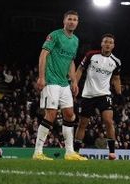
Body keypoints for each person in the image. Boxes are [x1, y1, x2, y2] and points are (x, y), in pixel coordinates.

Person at [32, 10, 87, 161]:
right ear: (64, 21)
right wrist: (42, 77)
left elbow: (71, 61)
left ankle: (69, 152)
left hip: (64, 83)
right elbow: (43, 54)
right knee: (51, 115)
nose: (72, 22)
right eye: (70, 19)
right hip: (51, 80)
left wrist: (74, 81)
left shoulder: (75, 40)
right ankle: (37, 152)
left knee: (70, 115)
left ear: (77, 22)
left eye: (75, 19)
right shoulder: (55, 35)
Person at [74, 33, 122, 160]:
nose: (107, 44)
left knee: (108, 121)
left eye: (110, 42)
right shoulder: (91, 55)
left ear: (113, 46)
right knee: (83, 123)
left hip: (104, 94)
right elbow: (80, 69)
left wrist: (119, 94)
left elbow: (116, 79)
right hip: (88, 95)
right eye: (105, 41)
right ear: (101, 43)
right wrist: (74, 84)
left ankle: (112, 152)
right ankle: (75, 151)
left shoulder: (116, 61)